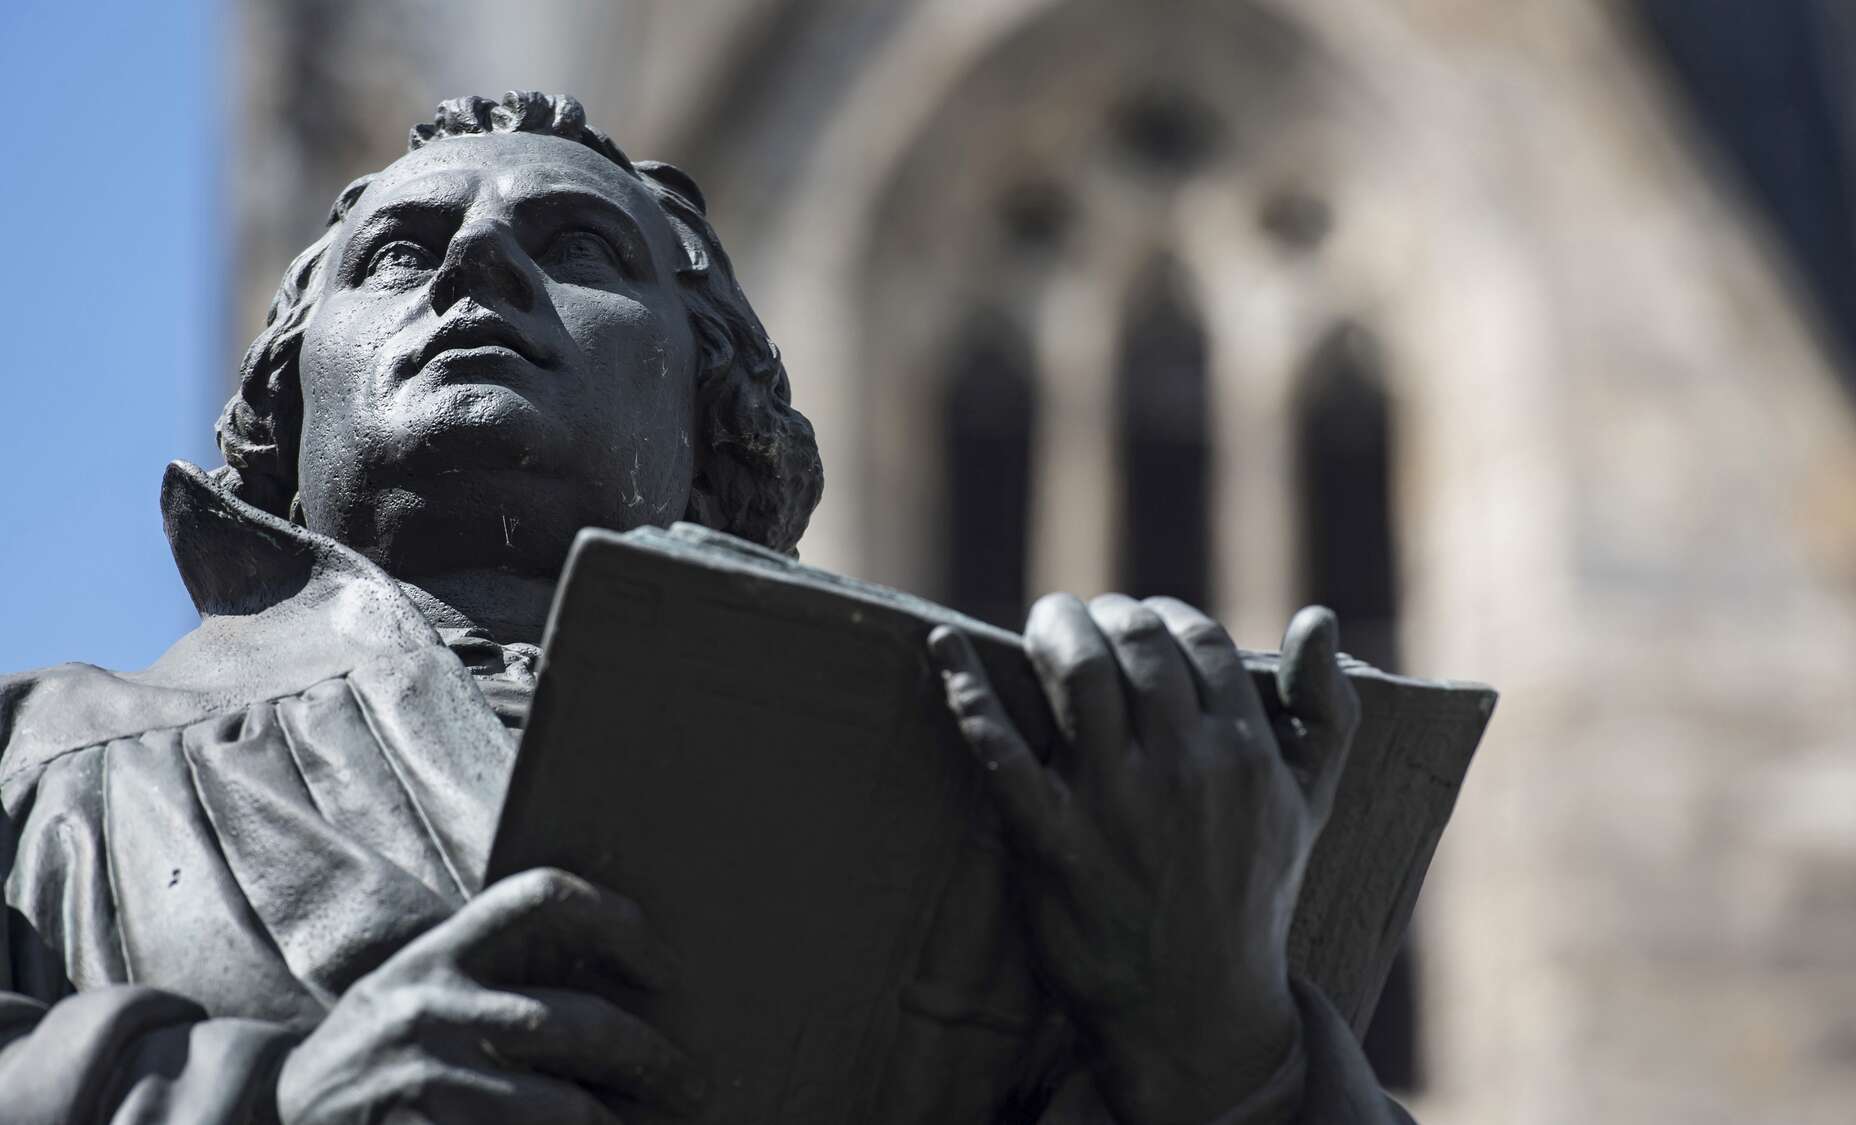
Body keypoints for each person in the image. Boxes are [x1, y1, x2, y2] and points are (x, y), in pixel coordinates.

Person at [0, 92, 1410, 1124]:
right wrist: (275, 1101)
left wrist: (1226, 1047)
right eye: (395, 254)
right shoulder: (45, 761)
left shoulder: (967, 804)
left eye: (579, 250)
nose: (479, 266)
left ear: (708, 408)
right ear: (286, 393)